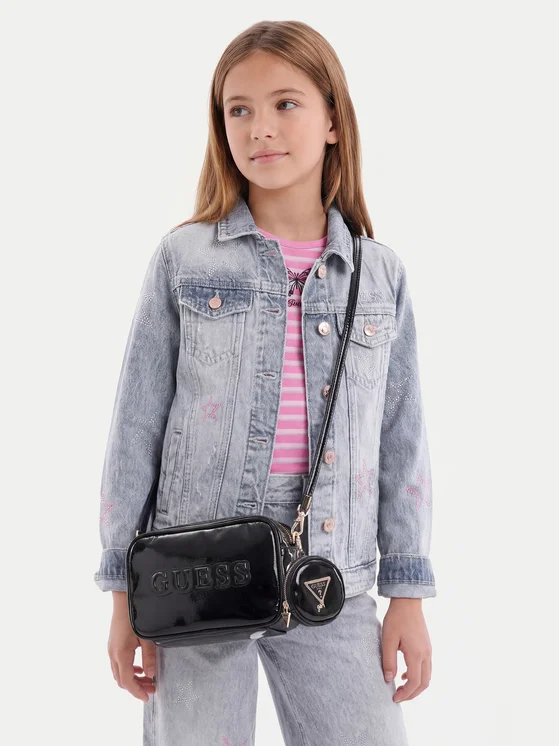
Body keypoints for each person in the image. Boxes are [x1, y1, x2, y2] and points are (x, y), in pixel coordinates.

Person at [94, 19, 436, 746]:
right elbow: (136, 428)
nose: (261, 129)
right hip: (195, 569)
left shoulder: (378, 275)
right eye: (239, 110)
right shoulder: (186, 260)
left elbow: (402, 440)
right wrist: (123, 587)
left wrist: (407, 590)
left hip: (330, 571)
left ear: (333, 120)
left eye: (286, 104)